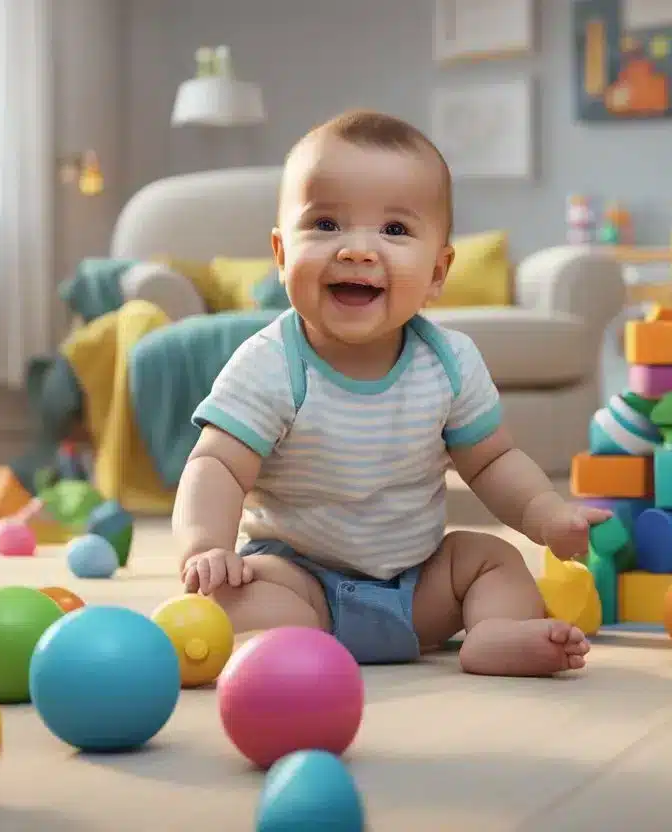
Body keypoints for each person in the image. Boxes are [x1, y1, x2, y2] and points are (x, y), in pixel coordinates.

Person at [170, 110, 610, 676]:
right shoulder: (271, 363)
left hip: (419, 588)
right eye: (326, 225)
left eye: (395, 231)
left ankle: (496, 633)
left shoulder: (450, 363)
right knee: (232, 600)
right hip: (302, 582)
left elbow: (493, 460)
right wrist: (205, 547)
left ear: (437, 271)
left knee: (490, 559)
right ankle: (298, 649)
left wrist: (546, 514)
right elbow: (218, 466)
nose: (357, 250)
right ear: (281, 255)